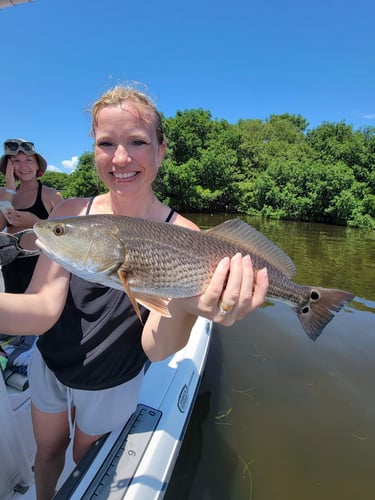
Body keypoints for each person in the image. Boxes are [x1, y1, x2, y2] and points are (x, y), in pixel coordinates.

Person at [0, 85, 269, 500]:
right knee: (47, 449)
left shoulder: (187, 236)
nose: (120, 158)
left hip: (113, 378)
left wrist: (189, 305)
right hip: (50, 363)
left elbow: (157, 349)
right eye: (106, 143)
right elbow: (41, 309)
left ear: (161, 150)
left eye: (138, 142)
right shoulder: (70, 213)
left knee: (86, 456)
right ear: (94, 151)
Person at [0, 139, 63, 292]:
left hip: (44, 264)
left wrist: (36, 222)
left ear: (37, 165)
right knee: (16, 314)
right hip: (11, 265)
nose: (23, 166)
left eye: (28, 160)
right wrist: (10, 190)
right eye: (16, 161)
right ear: (9, 166)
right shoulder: (4, 194)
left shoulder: (52, 195)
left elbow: (66, 236)